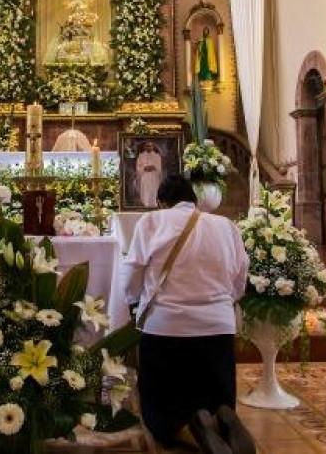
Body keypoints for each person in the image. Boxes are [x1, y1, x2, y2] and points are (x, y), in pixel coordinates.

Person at [120, 175, 250, 451]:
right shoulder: (226, 225)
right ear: (194, 199)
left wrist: (134, 301)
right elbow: (241, 275)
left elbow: (132, 271)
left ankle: (180, 428)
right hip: (218, 326)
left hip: (165, 326)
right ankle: (219, 416)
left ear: (161, 202)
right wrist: (223, 303)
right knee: (215, 390)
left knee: (161, 410)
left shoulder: (152, 222)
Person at [135, 141, 162, 208]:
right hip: (145, 176)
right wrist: (144, 168)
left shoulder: (157, 155)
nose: (148, 147)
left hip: (154, 176)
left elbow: (159, 167)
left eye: (150, 146)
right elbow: (138, 167)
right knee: (145, 190)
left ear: (152, 147)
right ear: (144, 147)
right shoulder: (141, 156)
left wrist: (154, 167)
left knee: (154, 190)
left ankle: (154, 204)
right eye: (147, 146)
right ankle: (145, 204)